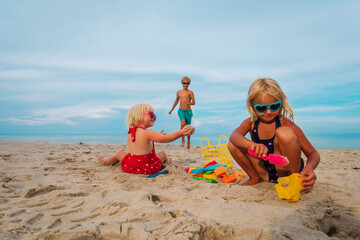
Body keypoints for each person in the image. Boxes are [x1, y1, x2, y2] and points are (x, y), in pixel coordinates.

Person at [228, 78, 320, 190]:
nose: (268, 112)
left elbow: (313, 154)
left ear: (281, 102)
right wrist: (251, 145)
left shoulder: (286, 124)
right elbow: (234, 136)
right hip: (266, 173)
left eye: (274, 106)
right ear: (253, 106)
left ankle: (293, 181)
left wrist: (309, 167)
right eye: (261, 108)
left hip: (286, 172)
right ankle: (254, 178)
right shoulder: (251, 122)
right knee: (233, 144)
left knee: (284, 133)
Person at [98, 103, 194, 174]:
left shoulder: (132, 132)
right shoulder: (147, 133)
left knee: (120, 153)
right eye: (151, 115)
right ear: (139, 115)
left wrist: (155, 136)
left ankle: (105, 162)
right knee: (162, 154)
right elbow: (165, 139)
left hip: (131, 167)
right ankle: (167, 160)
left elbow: (141, 145)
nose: (154, 118)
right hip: (147, 168)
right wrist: (181, 132)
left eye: (154, 116)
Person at [169, 76, 196, 149]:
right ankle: (182, 140)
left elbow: (194, 102)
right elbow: (176, 101)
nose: (185, 85)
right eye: (184, 83)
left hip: (188, 112)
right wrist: (171, 110)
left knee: (188, 127)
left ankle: (188, 142)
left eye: (187, 83)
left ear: (189, 84)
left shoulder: (190, 92)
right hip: (181, 110)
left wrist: (189, 103)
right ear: (181, 83)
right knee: (183, 123)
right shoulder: (179, 92)